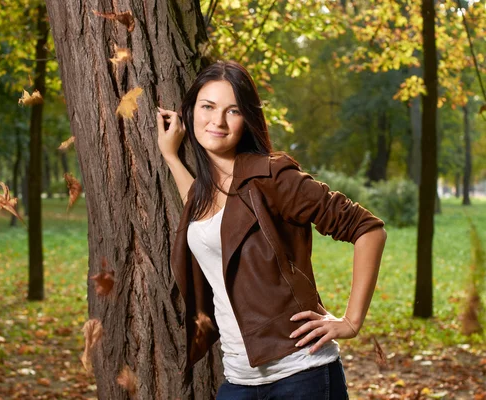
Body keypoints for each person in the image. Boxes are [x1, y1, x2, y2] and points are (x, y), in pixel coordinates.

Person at [156, 60, 387, 399]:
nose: (217, 121)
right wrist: (172, 156)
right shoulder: (205, 191)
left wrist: (351, 321)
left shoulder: (272, 177)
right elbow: (210, 219)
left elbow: (368, 229)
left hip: (302, 375)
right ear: (190, 111)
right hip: (238, 380)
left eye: (232, 111)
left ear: (246, 119)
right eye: (208, 107)